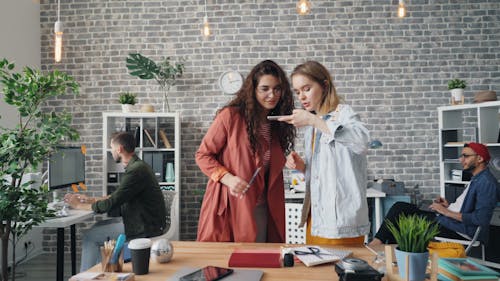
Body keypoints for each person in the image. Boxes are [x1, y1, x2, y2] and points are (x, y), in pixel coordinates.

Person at [195, 60, 296, 242]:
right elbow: (203, 155)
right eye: (265, 88)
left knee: (262, 263)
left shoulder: (277, 124)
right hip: (233, 203)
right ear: (253, 89)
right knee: (231, 264)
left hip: (264, 207)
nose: (272, 95)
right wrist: (228, 178)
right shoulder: (230, 116)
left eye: (277, 89)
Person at [280, 60, 371, 245]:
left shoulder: (343, 113)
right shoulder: (311, 129)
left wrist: (314, 121)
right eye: (298, 92)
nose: (302, 97)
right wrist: (301, 166)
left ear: (324, 85)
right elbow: (320, 175)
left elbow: (362, 142)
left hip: (341, 222)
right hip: (315, 219)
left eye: (306, 88)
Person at [64, 132, 166, 271]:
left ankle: (87, 277)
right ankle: (104, 272)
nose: (111, 151)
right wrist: (91, 199)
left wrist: (78, 205)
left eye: (112, 148)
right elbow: (118, 196)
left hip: (145, 225)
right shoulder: (136, 166)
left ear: (119, 149)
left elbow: (111, 203)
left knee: (90, 237)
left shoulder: (136, 171)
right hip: (141, 219)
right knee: (97, 226)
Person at [369, 142, 500, 246]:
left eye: (466, 156)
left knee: (401, 215)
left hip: (459, 230)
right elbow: (466, 207)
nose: (461, 160)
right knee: (401, 208)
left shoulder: (486, 183)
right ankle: (387, 249)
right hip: (450, 221)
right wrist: (447, 206)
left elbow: (480, 219)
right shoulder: (477, 178)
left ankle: (379, 245)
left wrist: (445, 212)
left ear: (480, 158)